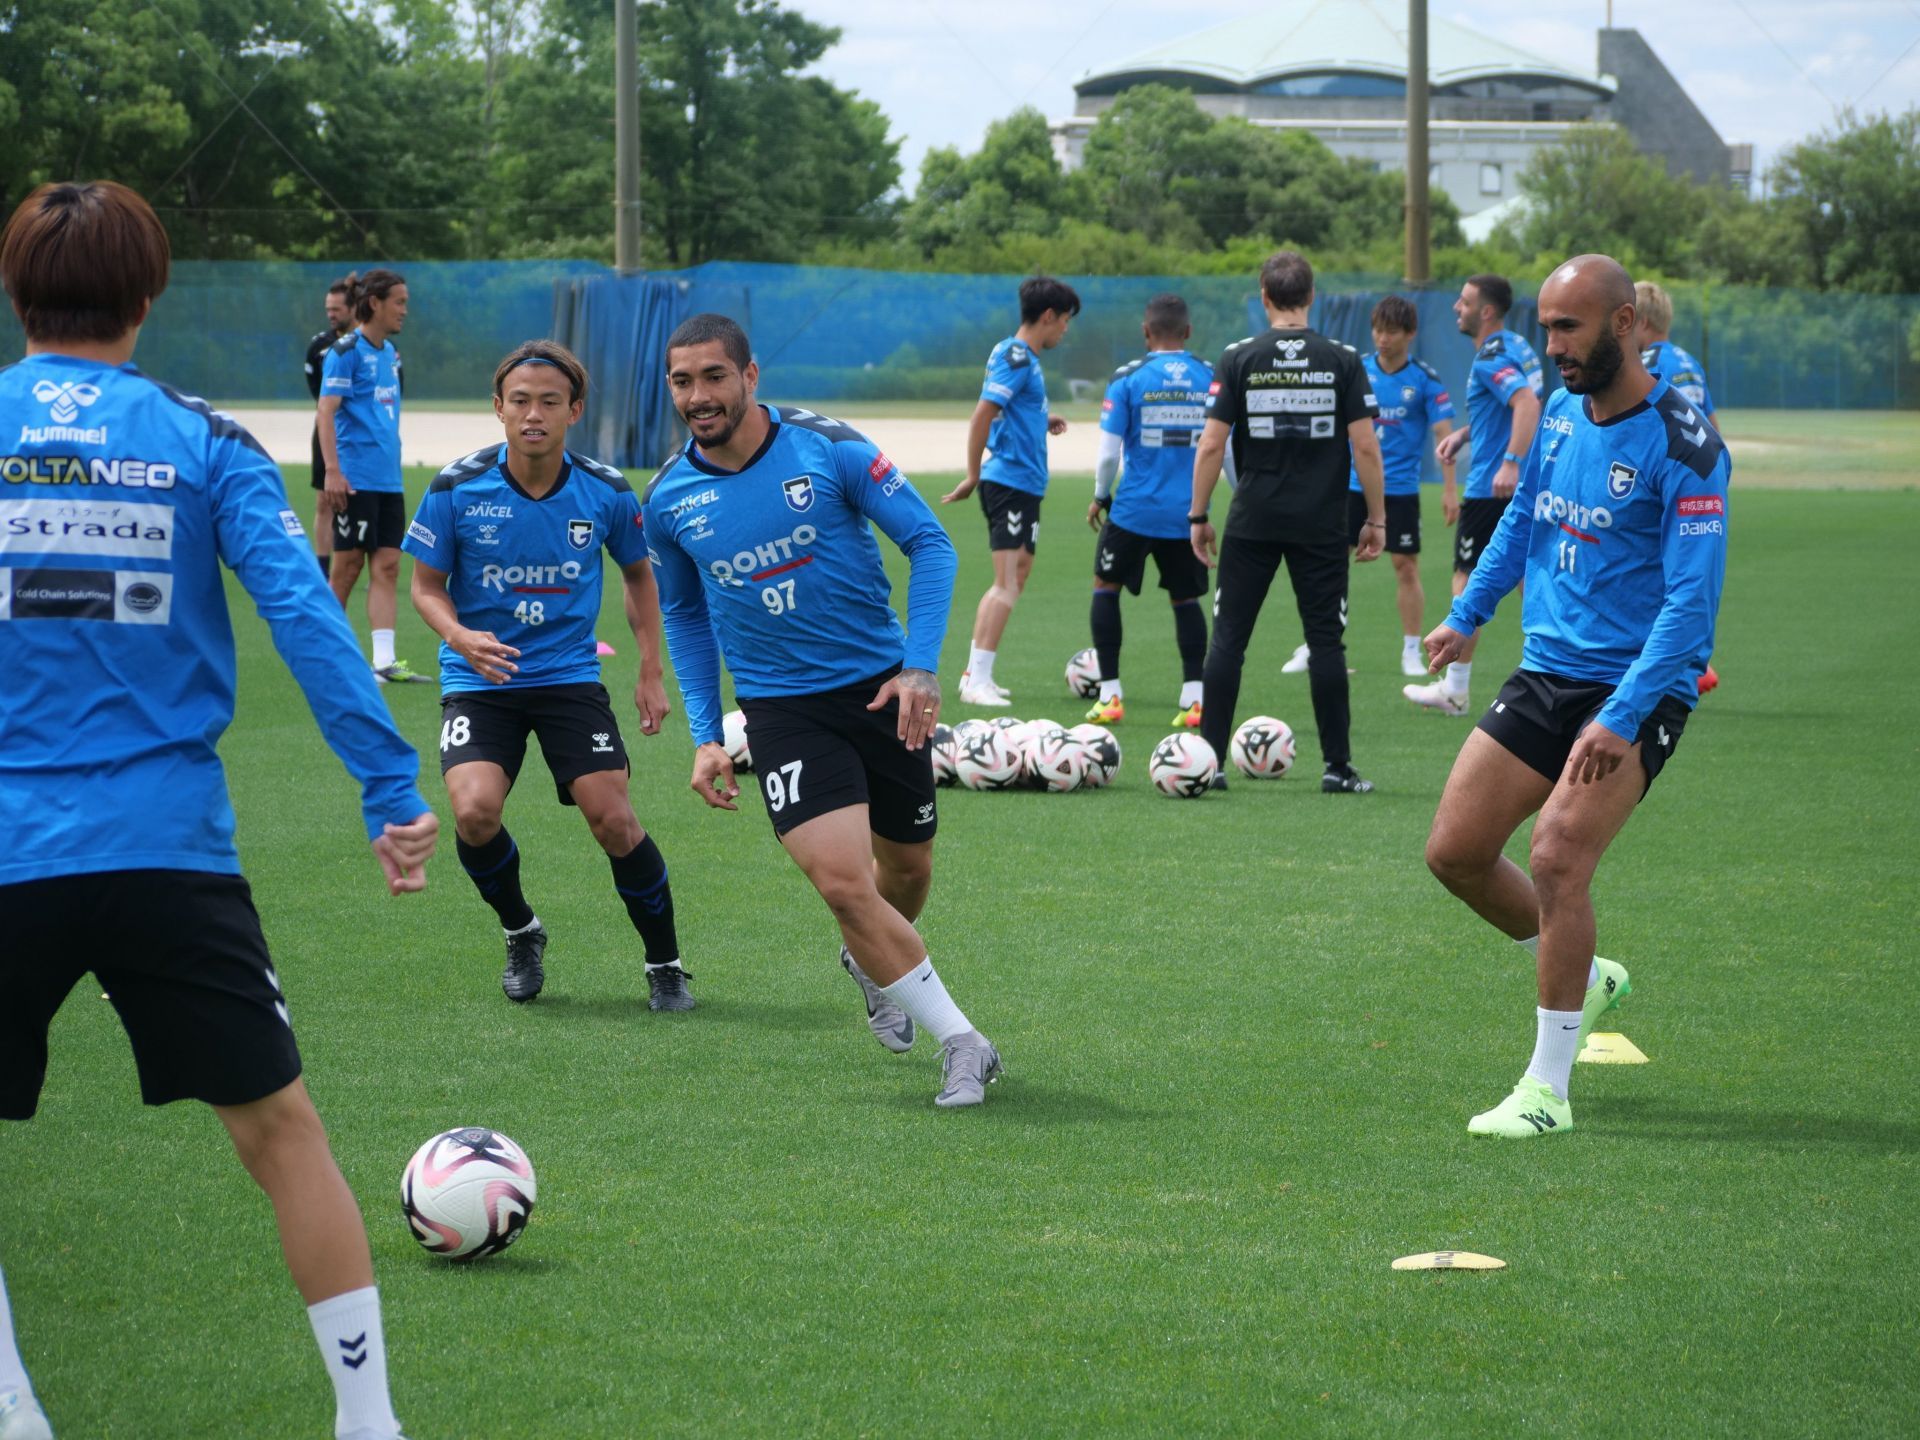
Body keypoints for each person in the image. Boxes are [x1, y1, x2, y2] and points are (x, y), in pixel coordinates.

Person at [0, 180, 438, 1440]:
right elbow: (309, 615)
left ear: (19, 292)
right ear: (151, 295)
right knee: (280, 1131)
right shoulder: (201, 439)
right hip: (167, 849)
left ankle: (18, 1405)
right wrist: (390, 788)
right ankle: (369, 1422)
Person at [644, 314, 1001, 1108]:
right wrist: (707, 736)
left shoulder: (829, 448)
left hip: (882, 690)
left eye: (713, 377)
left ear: (750, 376)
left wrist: (920, 668)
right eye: (681, 381)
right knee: (844, 885)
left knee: (905, 868)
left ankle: (870, 962)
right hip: (782, 713)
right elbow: (686, 618)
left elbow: (932, 545)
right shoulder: (668, 500)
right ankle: (965, 1042)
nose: (697, 396)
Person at [1419, 254, 1729, 1139]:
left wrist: (1622, 717)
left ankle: (1547, 1090)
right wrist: (1467, 614)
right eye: (1547, 327)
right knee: (1456, 853)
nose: (1551, 345)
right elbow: (1525, 521)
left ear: (1626, 324)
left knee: (1556, 857)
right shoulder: (1559, 412)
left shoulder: (1686, 444)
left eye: (1570, 328)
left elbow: (1690, 606)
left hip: (1640, 686)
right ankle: (1585, 976)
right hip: (1547, 671)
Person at [404, 341, 691, 1010]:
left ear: (575, 410)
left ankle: (665, 965)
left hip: (567, 678)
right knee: (474, 812)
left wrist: (651, 671)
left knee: (614, 819)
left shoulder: (606, 489)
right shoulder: (455, 486)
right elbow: (426, 586)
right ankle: (521, 930)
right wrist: (457, 635)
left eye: (550, 402)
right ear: (498, 408)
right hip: (481, 679)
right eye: (521, 401)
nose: (534, 414)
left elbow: (639, 576)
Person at [1190, 250, 1387, 795]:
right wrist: (1377, 520)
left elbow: (1211, 444)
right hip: (1321, 524)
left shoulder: (1238, 357)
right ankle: (1337, 768)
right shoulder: (1343, 358)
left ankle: (1208, 763)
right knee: (1326, 644)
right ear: (1312, 296)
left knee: (1228, 640)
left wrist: (1199, 515)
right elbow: (1366, 447)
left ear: (1264, 296)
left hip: (1252, 519)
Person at [1403, 273, 1543, 716]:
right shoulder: (1518, 346)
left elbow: (1526, 403)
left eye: (1463, 302)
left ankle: (1455, 688)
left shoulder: (1491, 356)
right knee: (1530, 578)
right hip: (1519, 483)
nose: (1455, 308)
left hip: (1492, 487)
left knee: (1467, 578)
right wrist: (1466, 434)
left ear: (1486, 311)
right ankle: (1570, 666)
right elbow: (1511, 406)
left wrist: (1510, 461)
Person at [941, 275, 1079, 708]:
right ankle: (976, 679)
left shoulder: (1022, 358)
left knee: (1015, 577)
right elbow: (983, 413)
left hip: (1026, 484)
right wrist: (972, 474)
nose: (1065, 331)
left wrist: (1043, 419)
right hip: (1008, 482)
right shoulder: (1017, 355)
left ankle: (976, 672)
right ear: (1049, 316)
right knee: (1006, 583)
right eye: (1065, 321)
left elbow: (1011, 410)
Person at [1083, 293, 1216, 728]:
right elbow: (1225, 449)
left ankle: (1110, 695)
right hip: (1187, 514)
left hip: (1134, 511)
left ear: (1145, 332)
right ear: (1188, 332)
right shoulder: (1211, 377)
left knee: (1106, 587)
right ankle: (1194, 699)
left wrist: (1102, 495)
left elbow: (1107, 454)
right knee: (1186, 599)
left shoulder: (1128, 378)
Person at [318, 267, 430, 684]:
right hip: (355, 478)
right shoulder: (346, 351)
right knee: (346, 568)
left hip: (388, 479)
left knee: (387, 567)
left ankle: (384, 663)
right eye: (399, 302)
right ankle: (325, 656)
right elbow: (326, 412)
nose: (404, 311)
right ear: (376, 303)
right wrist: (332, 471)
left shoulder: (390, 354)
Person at [303, 277, 353, 577]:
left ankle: (352, 563)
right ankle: (323, 569)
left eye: (336, 308)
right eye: (328, 309)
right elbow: (315, 390)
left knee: (356, 500)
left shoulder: (371, 346)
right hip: (327, 429)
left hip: (357, 437)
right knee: (324, 500)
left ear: (353, 308)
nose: (331, 314)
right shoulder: (319, 346)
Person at [1634, 281, 1717, 425]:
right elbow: (1712, 425)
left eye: (1629, 322)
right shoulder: (1690, 361)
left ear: (1643, 322)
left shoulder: (1646, 363)